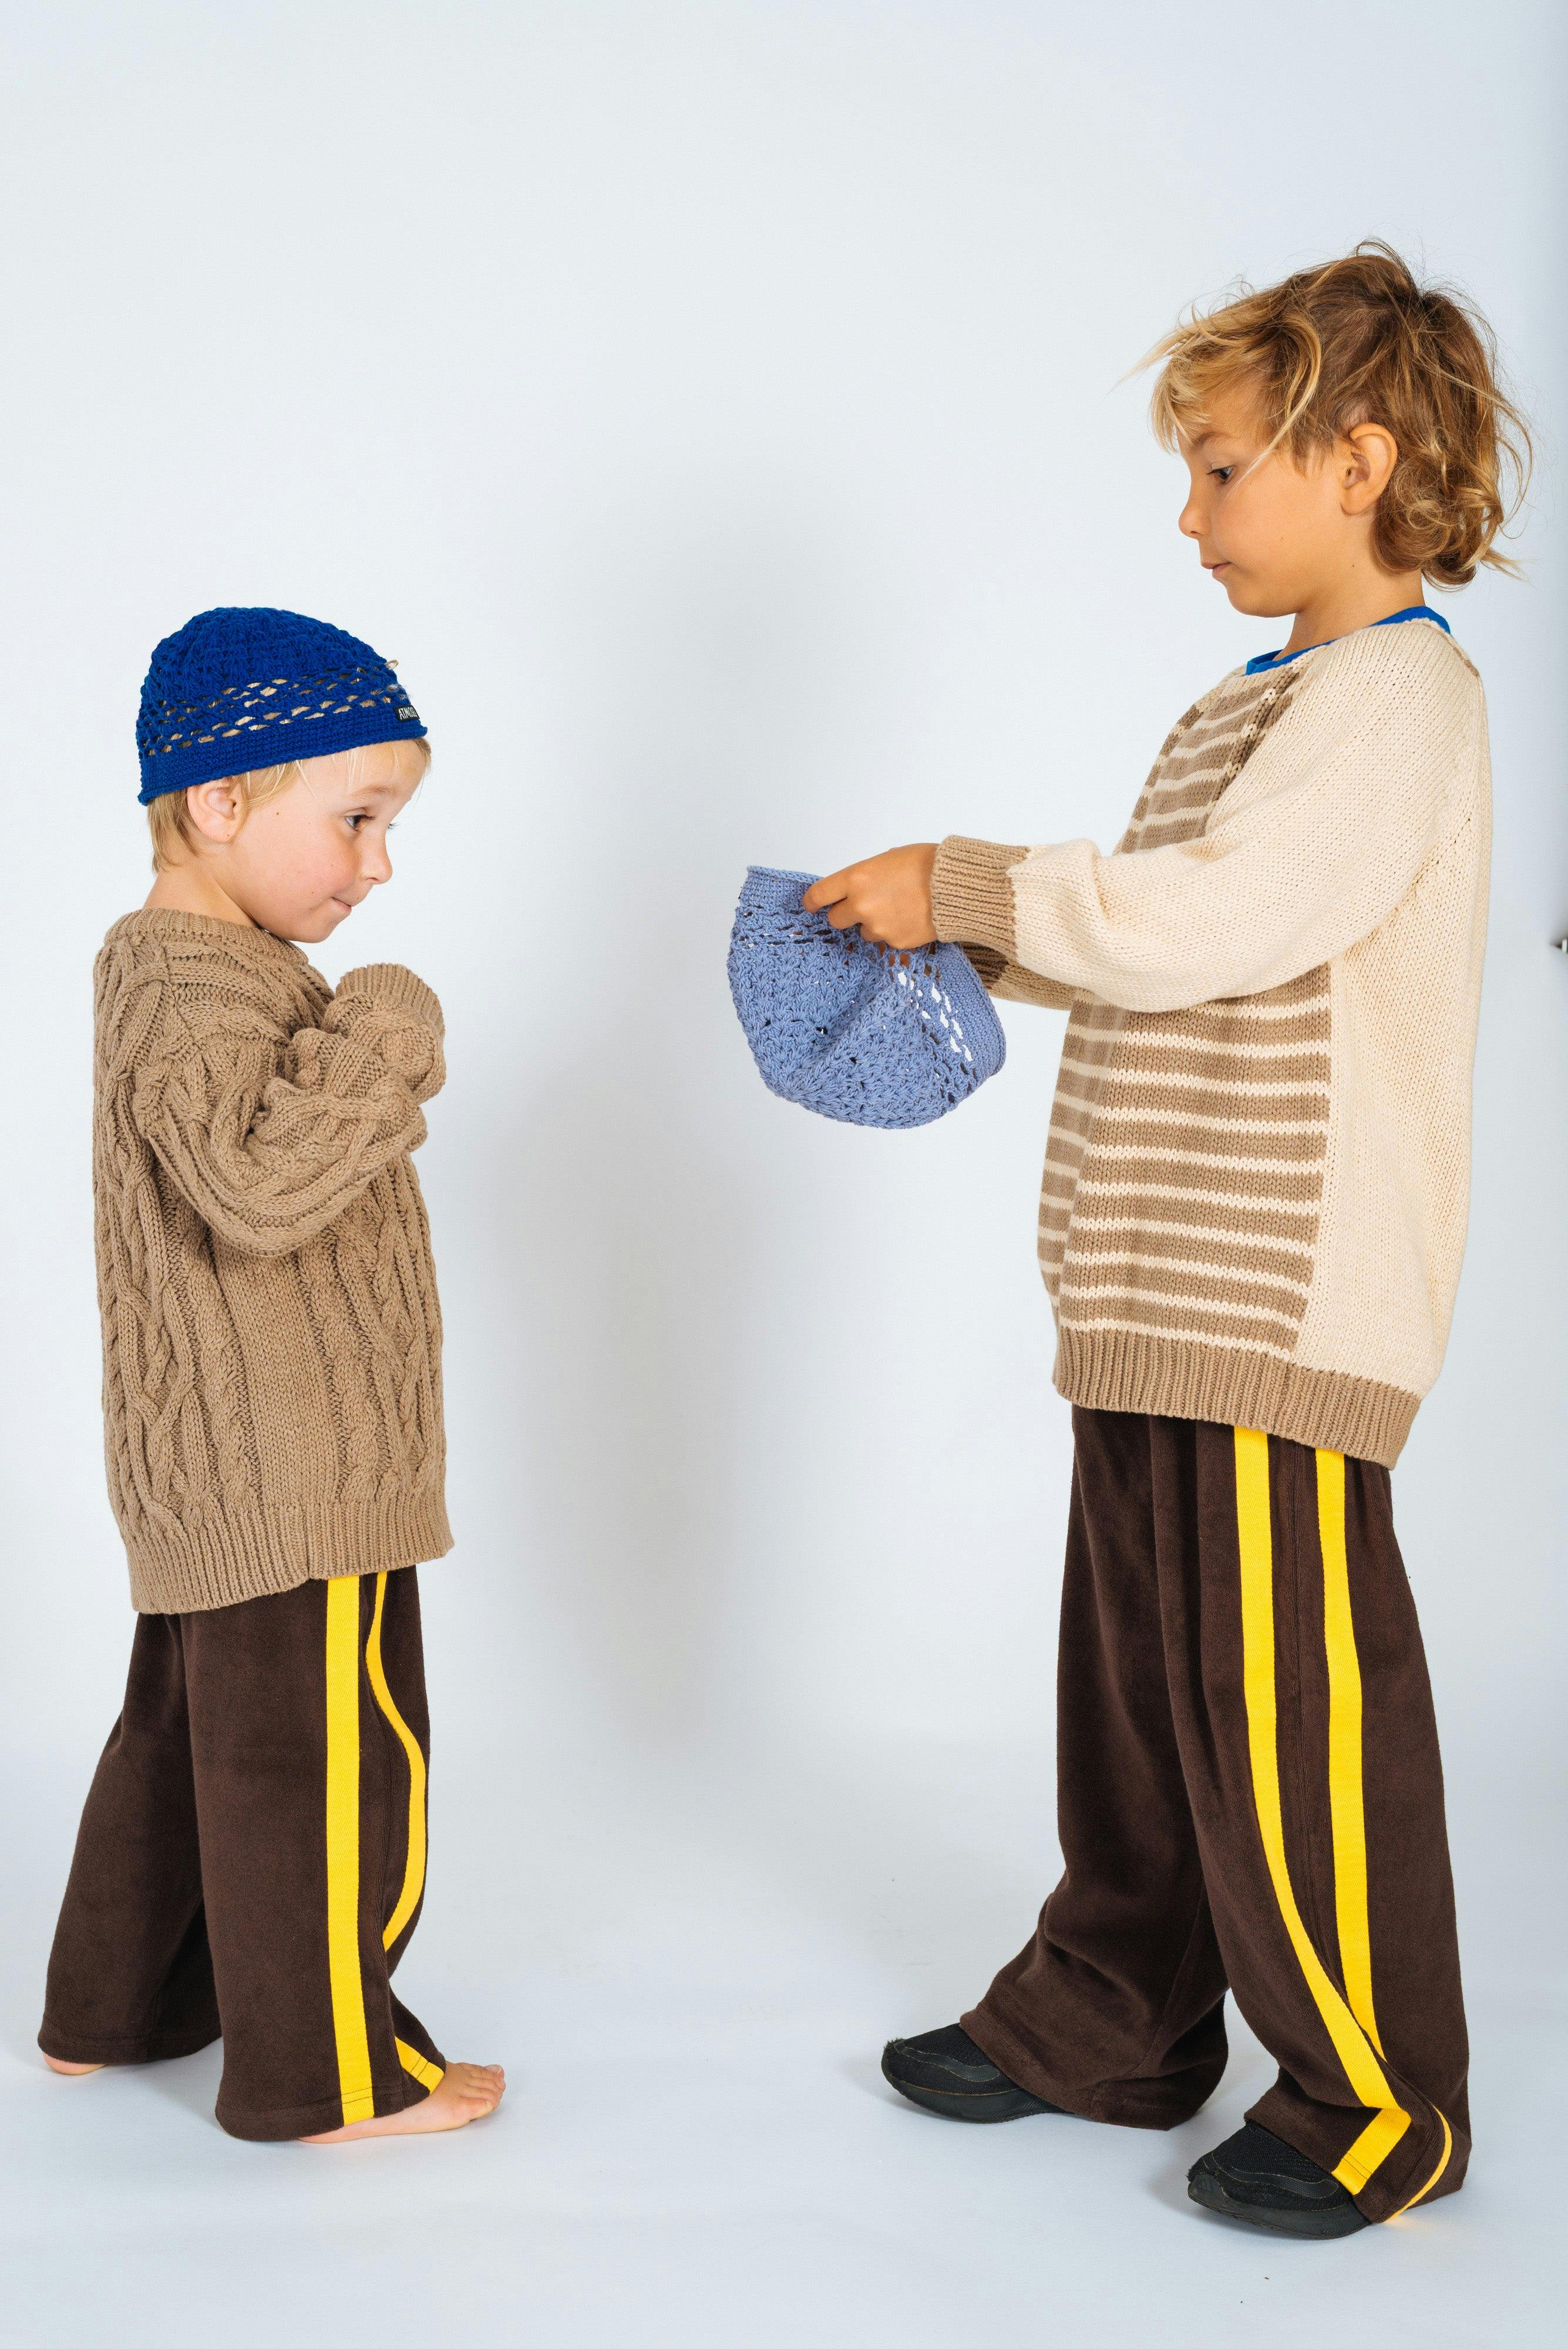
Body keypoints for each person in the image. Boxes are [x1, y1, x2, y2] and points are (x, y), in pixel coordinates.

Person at [802, 246, 1528, 2238]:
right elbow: (1176, 941)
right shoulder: (1255, 702)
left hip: (1279, 1303)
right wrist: (960, 936)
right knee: (1136, 1698)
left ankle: (1380, 2097)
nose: (1189, 516)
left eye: (1219, 471)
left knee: (1288, 1714)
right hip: (1155, 1289)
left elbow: (1216, 917)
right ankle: (1112, 2017)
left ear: (1356, 464)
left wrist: (968, 881)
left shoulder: (1401, 699)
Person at [38, 605, 505, 2143]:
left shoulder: (196, 972)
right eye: (357, 818)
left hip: (227, 1465)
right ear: (221, 800)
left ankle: (115, 2010)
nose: (379, 865)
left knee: (191, 1745)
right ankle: (328, 2076)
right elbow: (258, 1191)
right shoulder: (199, 986)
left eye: (391, 826)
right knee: (325, 1768)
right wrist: (388, 1025)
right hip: (293, 1472)